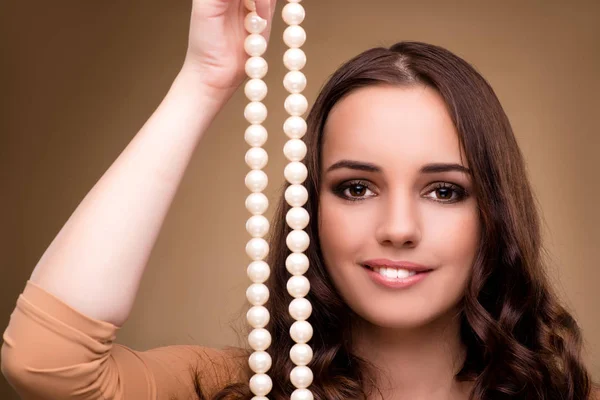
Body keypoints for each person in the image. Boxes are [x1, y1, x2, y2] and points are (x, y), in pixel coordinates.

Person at [1, 0, 598, 399]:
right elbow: (45, 361)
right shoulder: (236, 388)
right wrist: (204, 80)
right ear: (310, 209)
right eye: (356, 188)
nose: (397, 228)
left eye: (444, 191)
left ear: (493, 213)